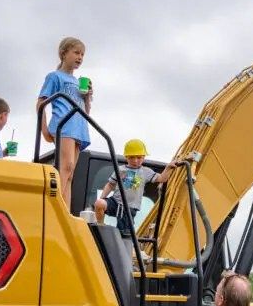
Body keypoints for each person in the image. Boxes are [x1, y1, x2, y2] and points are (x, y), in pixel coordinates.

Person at [37, 37, 92, 206]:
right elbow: (41, 102)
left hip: (78, 128)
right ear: (63, 53)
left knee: (71, 173)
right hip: (64, 125)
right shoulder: (54, 77)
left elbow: (85, 112)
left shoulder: (77, 82)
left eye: (82, 54)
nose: (80, 57)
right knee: (65, 167)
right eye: (76, 52)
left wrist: (88, 97)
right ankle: (53, 207)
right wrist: (44, 129)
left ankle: (65, 212)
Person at [93, 139, 174, 234]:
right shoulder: (120, 170)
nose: (135, 161)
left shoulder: (146, 172)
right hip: (116, 202)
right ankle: (100, 227)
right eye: (132, 157)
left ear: (144, 157)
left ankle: (125, 243)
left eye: (139, 157)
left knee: (123, 234)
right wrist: (102, 198)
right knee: (99, 203)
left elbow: (162, 178)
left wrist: (168, 168)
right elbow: (110, 184)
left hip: (129, 208)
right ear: (126, 157)